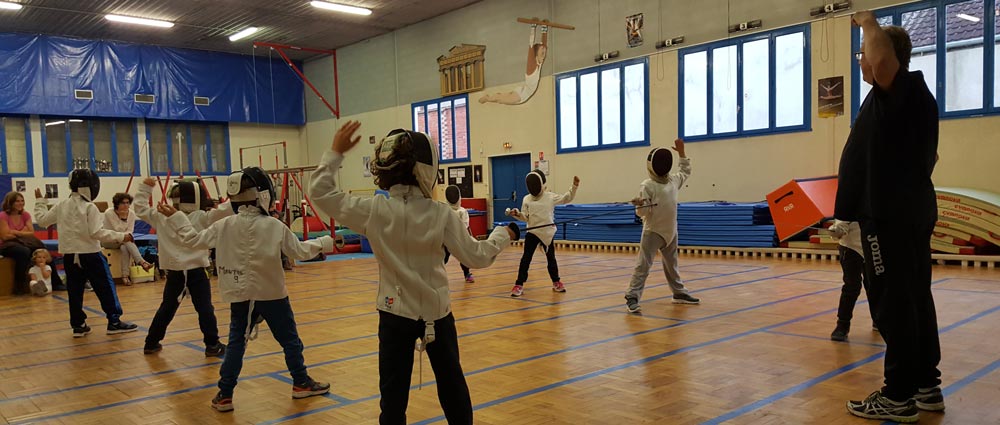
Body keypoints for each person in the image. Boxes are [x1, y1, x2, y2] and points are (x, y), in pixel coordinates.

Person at [308, 122, 517, 425]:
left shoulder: (373, 211)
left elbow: (320, 192)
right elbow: (477, 256)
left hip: (392, 316)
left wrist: (335, 153)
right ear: (426, 169)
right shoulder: (441, 214)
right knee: (453, 390)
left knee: (392, 401)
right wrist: (503, 234)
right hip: (438, 314)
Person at [836, 11, 942, 423]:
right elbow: (928, 158)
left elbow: (881, 62)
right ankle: (925, 386)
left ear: (888, 58)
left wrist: (867, 22)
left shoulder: (901, 89)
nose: (861, 61)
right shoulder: (904, 100)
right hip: (904, 212)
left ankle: (898, 396)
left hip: (890, 219)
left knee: (892, 303)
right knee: (914, 298)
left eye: (863, 54)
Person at [159, 166, 333, 413]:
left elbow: (192, 240)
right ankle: (301, 382)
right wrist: (324, 242)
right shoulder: (273, 225)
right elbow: (300, 252)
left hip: (239, 292)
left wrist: (176, 218)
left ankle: (224, 395)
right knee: (289, 340)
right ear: (263, 195)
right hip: (271, 294)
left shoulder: (224, 225)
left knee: (236, 343)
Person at [33, 169, 139, 337]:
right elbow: (97, 232)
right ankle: (114, 322)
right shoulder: (90, 207)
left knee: (75, 290)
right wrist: (123, 236)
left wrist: (39, 201)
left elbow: (42, 220)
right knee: (105, 287)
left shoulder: (61, 205)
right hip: (90, 254)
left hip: (69, 255)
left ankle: (78, 325)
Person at [135, 178, 230, 357]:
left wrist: (145, 187)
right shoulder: (201, 217)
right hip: (195, 271)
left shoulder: (160, 216)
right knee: (204, 308)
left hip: (175, 271)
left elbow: (139, 207)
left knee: (168, 307)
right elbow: (227, 210)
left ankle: (151, 342)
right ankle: (212, 344)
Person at [623, 139, 699, 313]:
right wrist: (639, 204)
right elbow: (642, 214)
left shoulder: (673, 181)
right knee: (643, 265)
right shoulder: (648, 185)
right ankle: (632, 295)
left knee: (672, 265)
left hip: (671, 231)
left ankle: (678, 293)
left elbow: (685, 171)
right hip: (653, 232)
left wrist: (682, 153)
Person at [506, 169, 578, 297]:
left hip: (547, 233)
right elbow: (525, 217)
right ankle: (519, 284)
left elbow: (567, 198)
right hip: (532, 231)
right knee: (526, 259)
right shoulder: (526, 199)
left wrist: (574, 186)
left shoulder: (550, 196)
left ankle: (556, 282)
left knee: (551, 258)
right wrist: (516, 214)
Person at [828, 219, 878, 341]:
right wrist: (837, 230)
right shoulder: (849, 200)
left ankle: (878, 319)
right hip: (850, 248)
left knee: (875, 286)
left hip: (873, 245)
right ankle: (842, 325)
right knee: (852, 286)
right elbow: (842, 220)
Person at [478, 23, 548, 105]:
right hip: (521, 95)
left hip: (523, 92)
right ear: (536, 54)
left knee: (500, 97)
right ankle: (488, 98)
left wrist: (544, 29)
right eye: (542, 53)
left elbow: (544, 45)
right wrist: (533, 28)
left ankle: (489, 98)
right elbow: (531, 46)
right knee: (500, 99)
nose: (544, 54)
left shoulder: (539, 63)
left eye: (544, 52)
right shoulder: (532, 65)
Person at [102, 193, 153, 285]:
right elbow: (117, 229)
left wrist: (125, 236)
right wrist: (123, 218)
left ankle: (125, 276)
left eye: (128, 203)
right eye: (123, 203)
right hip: (108, 240)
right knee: (126, 241)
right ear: (117, 204)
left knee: (124, 248)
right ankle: (142, 262)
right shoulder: (109, 212)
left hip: (122, 241)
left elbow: (130, 230)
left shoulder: (132, 213)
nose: (126, 205)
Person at [443, 185, 475, 283]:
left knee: (463, 257)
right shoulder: (444, 209)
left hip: (459, 238)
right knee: (443, 258)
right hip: (446, 239)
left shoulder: (462, 211)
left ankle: (467, 274)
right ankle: (434, 275)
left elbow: (465, 226)